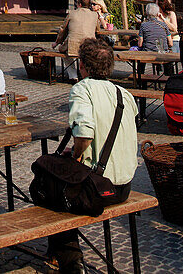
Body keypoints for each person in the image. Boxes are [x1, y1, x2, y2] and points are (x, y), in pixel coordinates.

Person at [46, 38, 138, 274]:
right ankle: (59, 257)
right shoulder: (124, 94)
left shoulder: (82, 89)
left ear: (83, 66)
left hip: (98, 189)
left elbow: (84, 134)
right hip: (124, 185)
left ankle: (71, 263)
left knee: (51, 193)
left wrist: (77, 155)